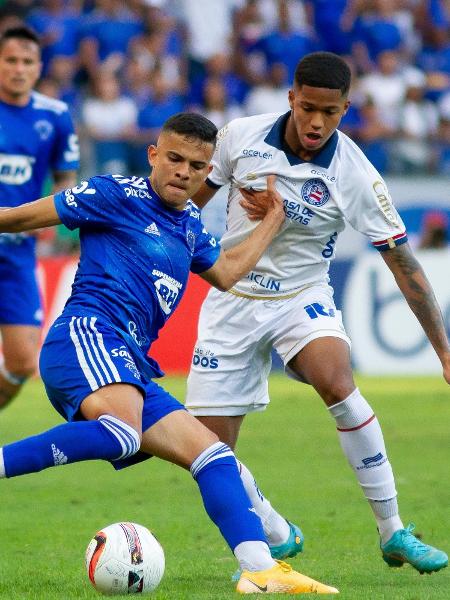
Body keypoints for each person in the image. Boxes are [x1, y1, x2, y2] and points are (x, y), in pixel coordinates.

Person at [0, 112, 338, 595]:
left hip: (130, 362)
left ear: (207, 174)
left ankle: (260, 571)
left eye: (197, 166)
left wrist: (274, 221)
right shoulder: (114, 194)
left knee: (215, 457)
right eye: (174, 158)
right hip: (87, 335)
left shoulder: (190, 226)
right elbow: (22, 217)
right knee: (122, 433)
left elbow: (225, 273)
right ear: (153, 155)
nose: (183, 171)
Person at [186, 52, 450, 575]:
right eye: (307, 108)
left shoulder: (355, 174)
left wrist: (444, 351)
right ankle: (275, 530)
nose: (316, 122)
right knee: (207, 452)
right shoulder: (239, 137)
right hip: (230, 299)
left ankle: (393, 529)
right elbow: (187, 203)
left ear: (346, 109)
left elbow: (403, 263)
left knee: (337, 382)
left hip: (301, 296)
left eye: (330, 112)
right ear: (290, 97)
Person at [0, 26, 79, 409]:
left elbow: (67, 178)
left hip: (16, 253)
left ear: (38, 67)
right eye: (10, 60)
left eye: (26, 62)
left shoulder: (56, 115)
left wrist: (52, 215)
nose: (18, 69)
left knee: (21, 363)